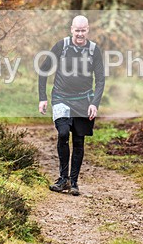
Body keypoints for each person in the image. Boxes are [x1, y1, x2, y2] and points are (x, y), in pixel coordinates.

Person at [38, 15, 105, 196]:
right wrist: (42, 97)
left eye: (83, 30)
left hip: (83, 100)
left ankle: (73, 182)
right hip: (61, 97)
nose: (80, 34)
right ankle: (62, 178)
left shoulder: (93, 50)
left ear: (88, 30)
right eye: (77, 30)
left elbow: (100, 80)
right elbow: (43, 71)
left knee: (78, 140)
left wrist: (94, 103)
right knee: (62, 133)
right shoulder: (62, 46)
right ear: (71, 29)